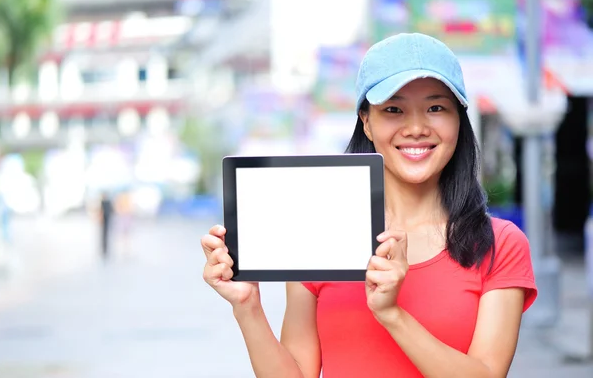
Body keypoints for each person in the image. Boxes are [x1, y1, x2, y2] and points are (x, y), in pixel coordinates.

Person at [201, 33, 538, 377]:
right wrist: (247, 308)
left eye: (436, 108)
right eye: (394, 109)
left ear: (458, 119)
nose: (417, 127)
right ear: (366, 120)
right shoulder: (317, 237)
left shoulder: (500, 244)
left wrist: (392, 314)